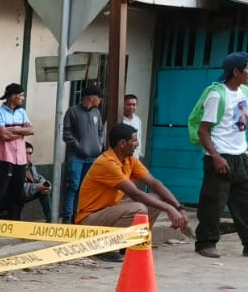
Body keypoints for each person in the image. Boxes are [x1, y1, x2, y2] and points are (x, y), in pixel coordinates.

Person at [194, 52, 248, 259]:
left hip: (240, 156)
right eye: (247, 68)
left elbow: (239, 127)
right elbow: (203, 130)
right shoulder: (216, 94)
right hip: (220, 157)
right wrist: (215, 156)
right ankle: (206, 243)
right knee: (213, 204)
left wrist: (246, 154)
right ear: (235, 72)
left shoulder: (243, 91)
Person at [75, 123, 189, 262]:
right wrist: (169, 208)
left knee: (155, 200)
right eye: (134, 140)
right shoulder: (107, 163)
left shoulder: (130, 161)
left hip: (108, 212)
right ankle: (103, 247)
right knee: (138, 208)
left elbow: (154, 183)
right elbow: (135, 194)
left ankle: (130, 244)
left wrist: (178, 207)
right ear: (123, 143)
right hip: (89, 221)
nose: (137, 144)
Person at [0, 82, 33, 220]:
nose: (22, 98)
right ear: (13, 96)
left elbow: (31, 130)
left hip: (20, 159)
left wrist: (14, 129)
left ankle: (14, 222)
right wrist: (21, 132)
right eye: (21, 95)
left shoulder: (22, 112)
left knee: (17, 193)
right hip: (4, 158)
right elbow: (3, 136)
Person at [60, 84, 106, 222]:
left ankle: (79, 215)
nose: (100, 101)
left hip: (92, 157)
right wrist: (79, 146)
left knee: (85, 187)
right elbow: (66, 134)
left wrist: (99, 145)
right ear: (91, 98)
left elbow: (100, 131)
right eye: (99, 98)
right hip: (76, 156)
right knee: (73, 186)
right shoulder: (73, 111)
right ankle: (67, 217)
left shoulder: (96, 113)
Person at [121, 94, 143, 159]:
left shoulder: (137, 120)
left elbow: (139, 138)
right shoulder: (116, 119)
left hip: (134, 157)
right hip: (121, 159)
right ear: (123, 105)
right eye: (129, 104)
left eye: (134, 105)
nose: (131, 107)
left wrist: (138, 152)